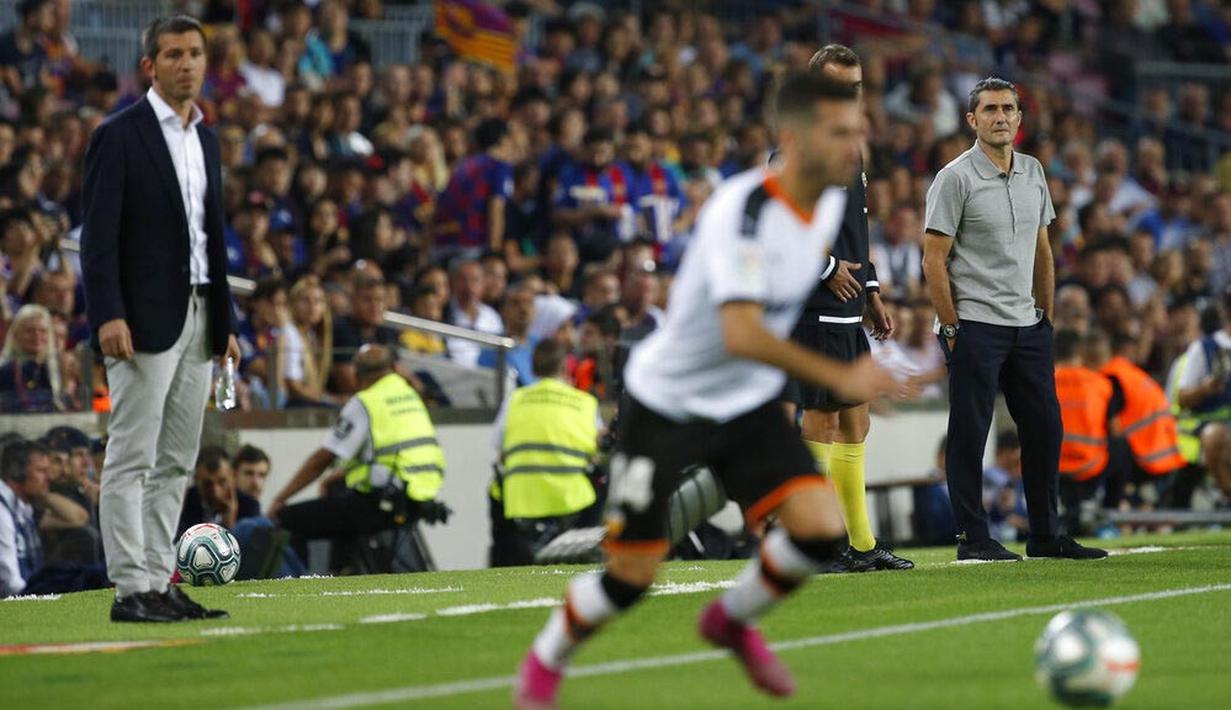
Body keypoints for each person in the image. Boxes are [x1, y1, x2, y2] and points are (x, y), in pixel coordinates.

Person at [515, 71, 902, 709]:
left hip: (742, 400)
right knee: (633, 573)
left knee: (818, 531)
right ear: (794, 137)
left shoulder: (830, 201)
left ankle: (730, 620)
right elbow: (742, 329)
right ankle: (545, 659)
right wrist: (844, 376)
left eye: (857, 130)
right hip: (668, 400)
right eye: (839, 131)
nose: (854, 144)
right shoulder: (743, 210)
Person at [81, 15, 240, 622]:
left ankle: (159, 581)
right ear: (149, 65)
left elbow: (211, 238)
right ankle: (130, 589)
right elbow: (98, 240)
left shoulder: (208, 139)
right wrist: (107, 315)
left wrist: (225, 322)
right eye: (173, 54)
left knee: (176, 459)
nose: (187, 64)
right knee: (132, 456)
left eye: (195, 53)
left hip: (199, 314)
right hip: (141, 320)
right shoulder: (118, 135)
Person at [921, 77, 1106, 561]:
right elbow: (932, 259)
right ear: (971, 120)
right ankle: (973, 539)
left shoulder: (1034, 171)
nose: (1000, 117)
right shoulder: (954, 177)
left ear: (1020, 118)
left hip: (1028, 326)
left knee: (1046, 428)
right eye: (989, 109)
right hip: (976, 323)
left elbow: (1043, 249)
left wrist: (1045, 315)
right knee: (970, 431)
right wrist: (951, 325)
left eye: (1008, 108)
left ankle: (1045, 534)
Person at [781, 44, 912, 573]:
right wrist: (827, 268)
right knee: (821, 422)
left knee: (856, 424)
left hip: (849, 308)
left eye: (855, 87)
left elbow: (858, 230)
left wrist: (873, 291)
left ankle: (859, 544)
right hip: (813, 309)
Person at [268, 345, 449, 561]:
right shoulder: (409, 395)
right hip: (421, 498)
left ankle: (300, 586)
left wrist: (280, 499)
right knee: (339, 496)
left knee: (287, 519)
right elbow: (393, 454)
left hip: (381, 504)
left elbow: (323, 458)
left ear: (355, 374)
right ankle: (344, 570)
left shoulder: (365, 402)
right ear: (392, 368)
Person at [489, 340, 602, 567]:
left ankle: (502, 568)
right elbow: (597, 453)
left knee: (495, 488)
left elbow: (498, 447)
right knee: (601, 478)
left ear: (533, 369)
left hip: (521, 503)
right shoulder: (585, 403)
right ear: (565, 367)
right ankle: (592, 558)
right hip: (571, 503)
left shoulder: (515, 399)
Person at [177, 446, 261, 537]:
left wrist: (230, 526)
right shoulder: (185, 503)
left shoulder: (249, 507)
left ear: (232, 476)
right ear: (196, 480)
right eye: (207, 485)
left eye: (222, 482)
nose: (216, 492)